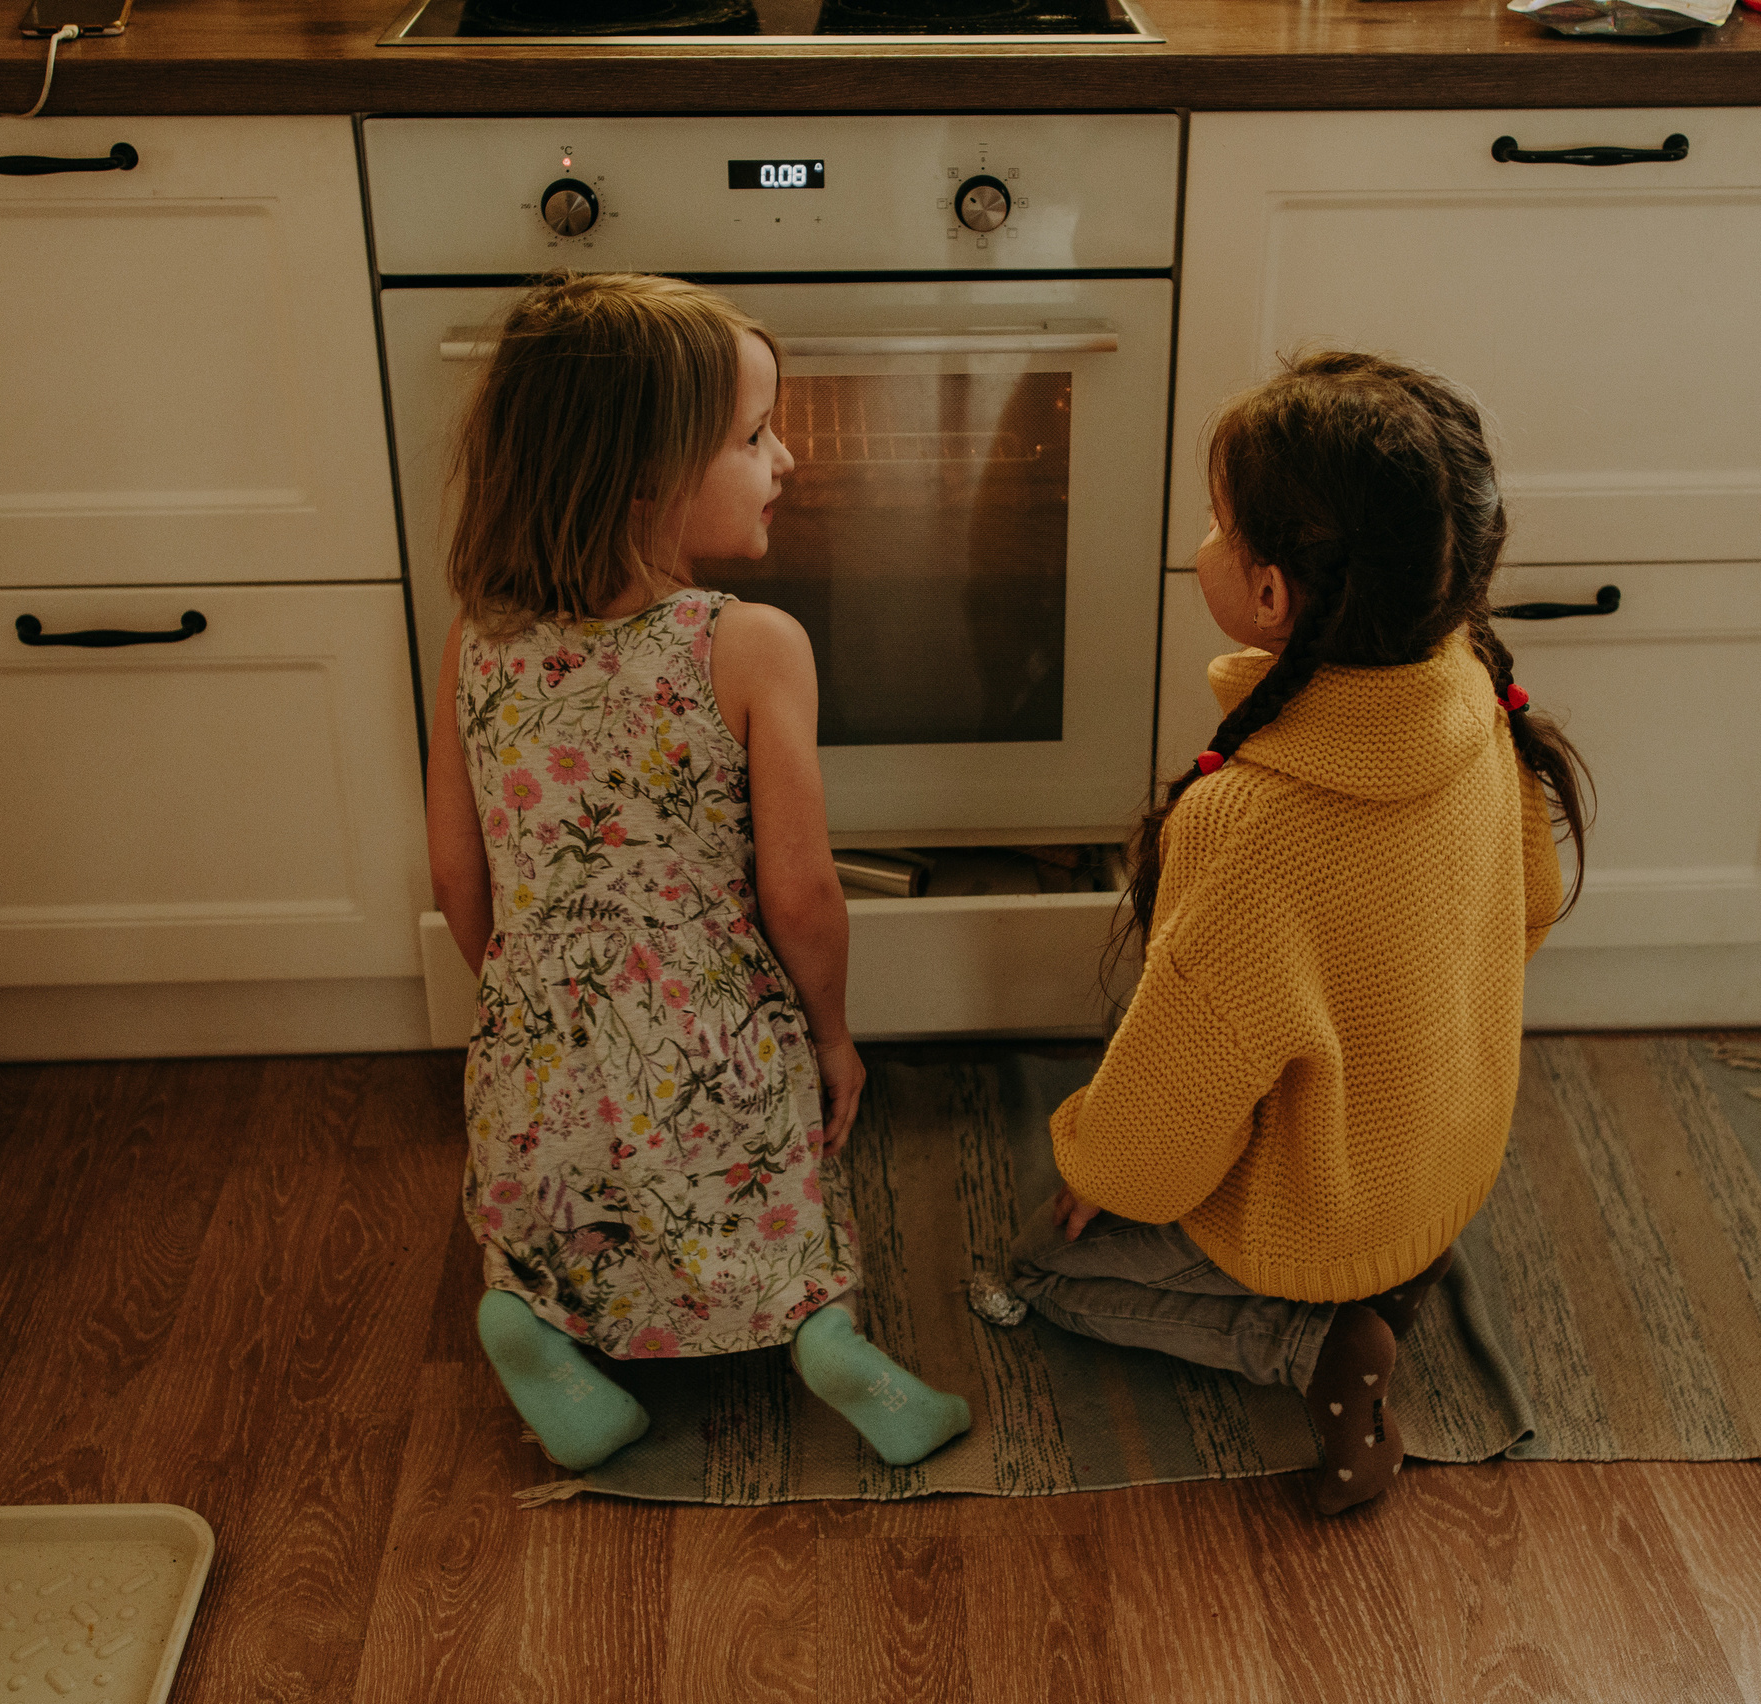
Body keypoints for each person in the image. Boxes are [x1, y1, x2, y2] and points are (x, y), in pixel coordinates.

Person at [994, 350, 1587, 1514]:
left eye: (1216, 527)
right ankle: (1399, 1273)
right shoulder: (1471, 684)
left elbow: (1168, 1115)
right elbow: (1527, 906)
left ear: (1271, 596)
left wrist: (1090, 1165)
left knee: (1047, 1271)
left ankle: (1310, 1351)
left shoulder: (1252, 823)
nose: (1201, 544)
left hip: (1324, 1200)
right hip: (1444, 1149)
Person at [426, 273, 970, 1472]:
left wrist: (533, 1002)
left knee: (554, 1207)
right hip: (716, 1036)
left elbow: (459, 877)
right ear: (645, 475)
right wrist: (826, 1031)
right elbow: (802, 894)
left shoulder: (477, 635)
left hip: (532, 1040)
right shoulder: (748, 645)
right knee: (767, 1168)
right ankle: (817, 1331)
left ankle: (531, 1321)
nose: (786, 460)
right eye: (754, 436)